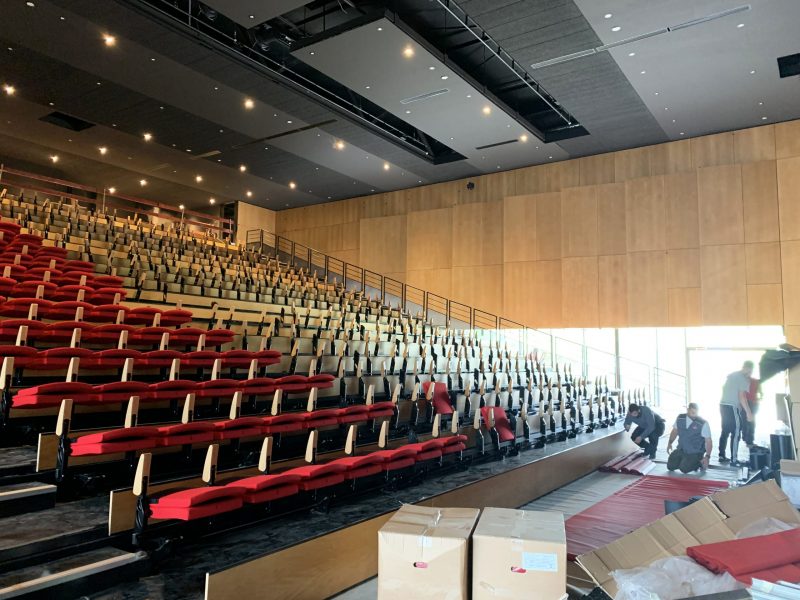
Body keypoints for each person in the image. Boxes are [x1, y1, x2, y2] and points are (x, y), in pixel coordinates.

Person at [719, 361, 754, 466]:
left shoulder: (732, 375)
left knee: (725, 430)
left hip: (723, 405)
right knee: (736, 432)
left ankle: (721, 455)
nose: (750, 373)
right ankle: (734, 460)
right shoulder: (743, 379)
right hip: (732, 407)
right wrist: (749, 413)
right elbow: (742, 397)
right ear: (749, 369)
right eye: (751, 371)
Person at [667, 403, 713, 473]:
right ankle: (685, 460)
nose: (694, 415)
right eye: (692, 412)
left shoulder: (703, 423)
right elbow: (674, 431)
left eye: (696, 413)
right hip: (681, 449)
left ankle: (700, 462)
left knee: (684, 468)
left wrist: (707, 457)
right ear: (688, 410)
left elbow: (708, 441)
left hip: (695, 452)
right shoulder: (680, 418)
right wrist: (670, 443)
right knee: (670, 466)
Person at [741, 377, 761, 447]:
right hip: (751, 402)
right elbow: (761, 393)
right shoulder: (756, 382)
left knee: (745, 421)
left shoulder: (745, 380)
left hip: (746, 402)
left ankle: (746, 439)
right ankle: (749, 440)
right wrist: (758, 400)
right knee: (751, 422)